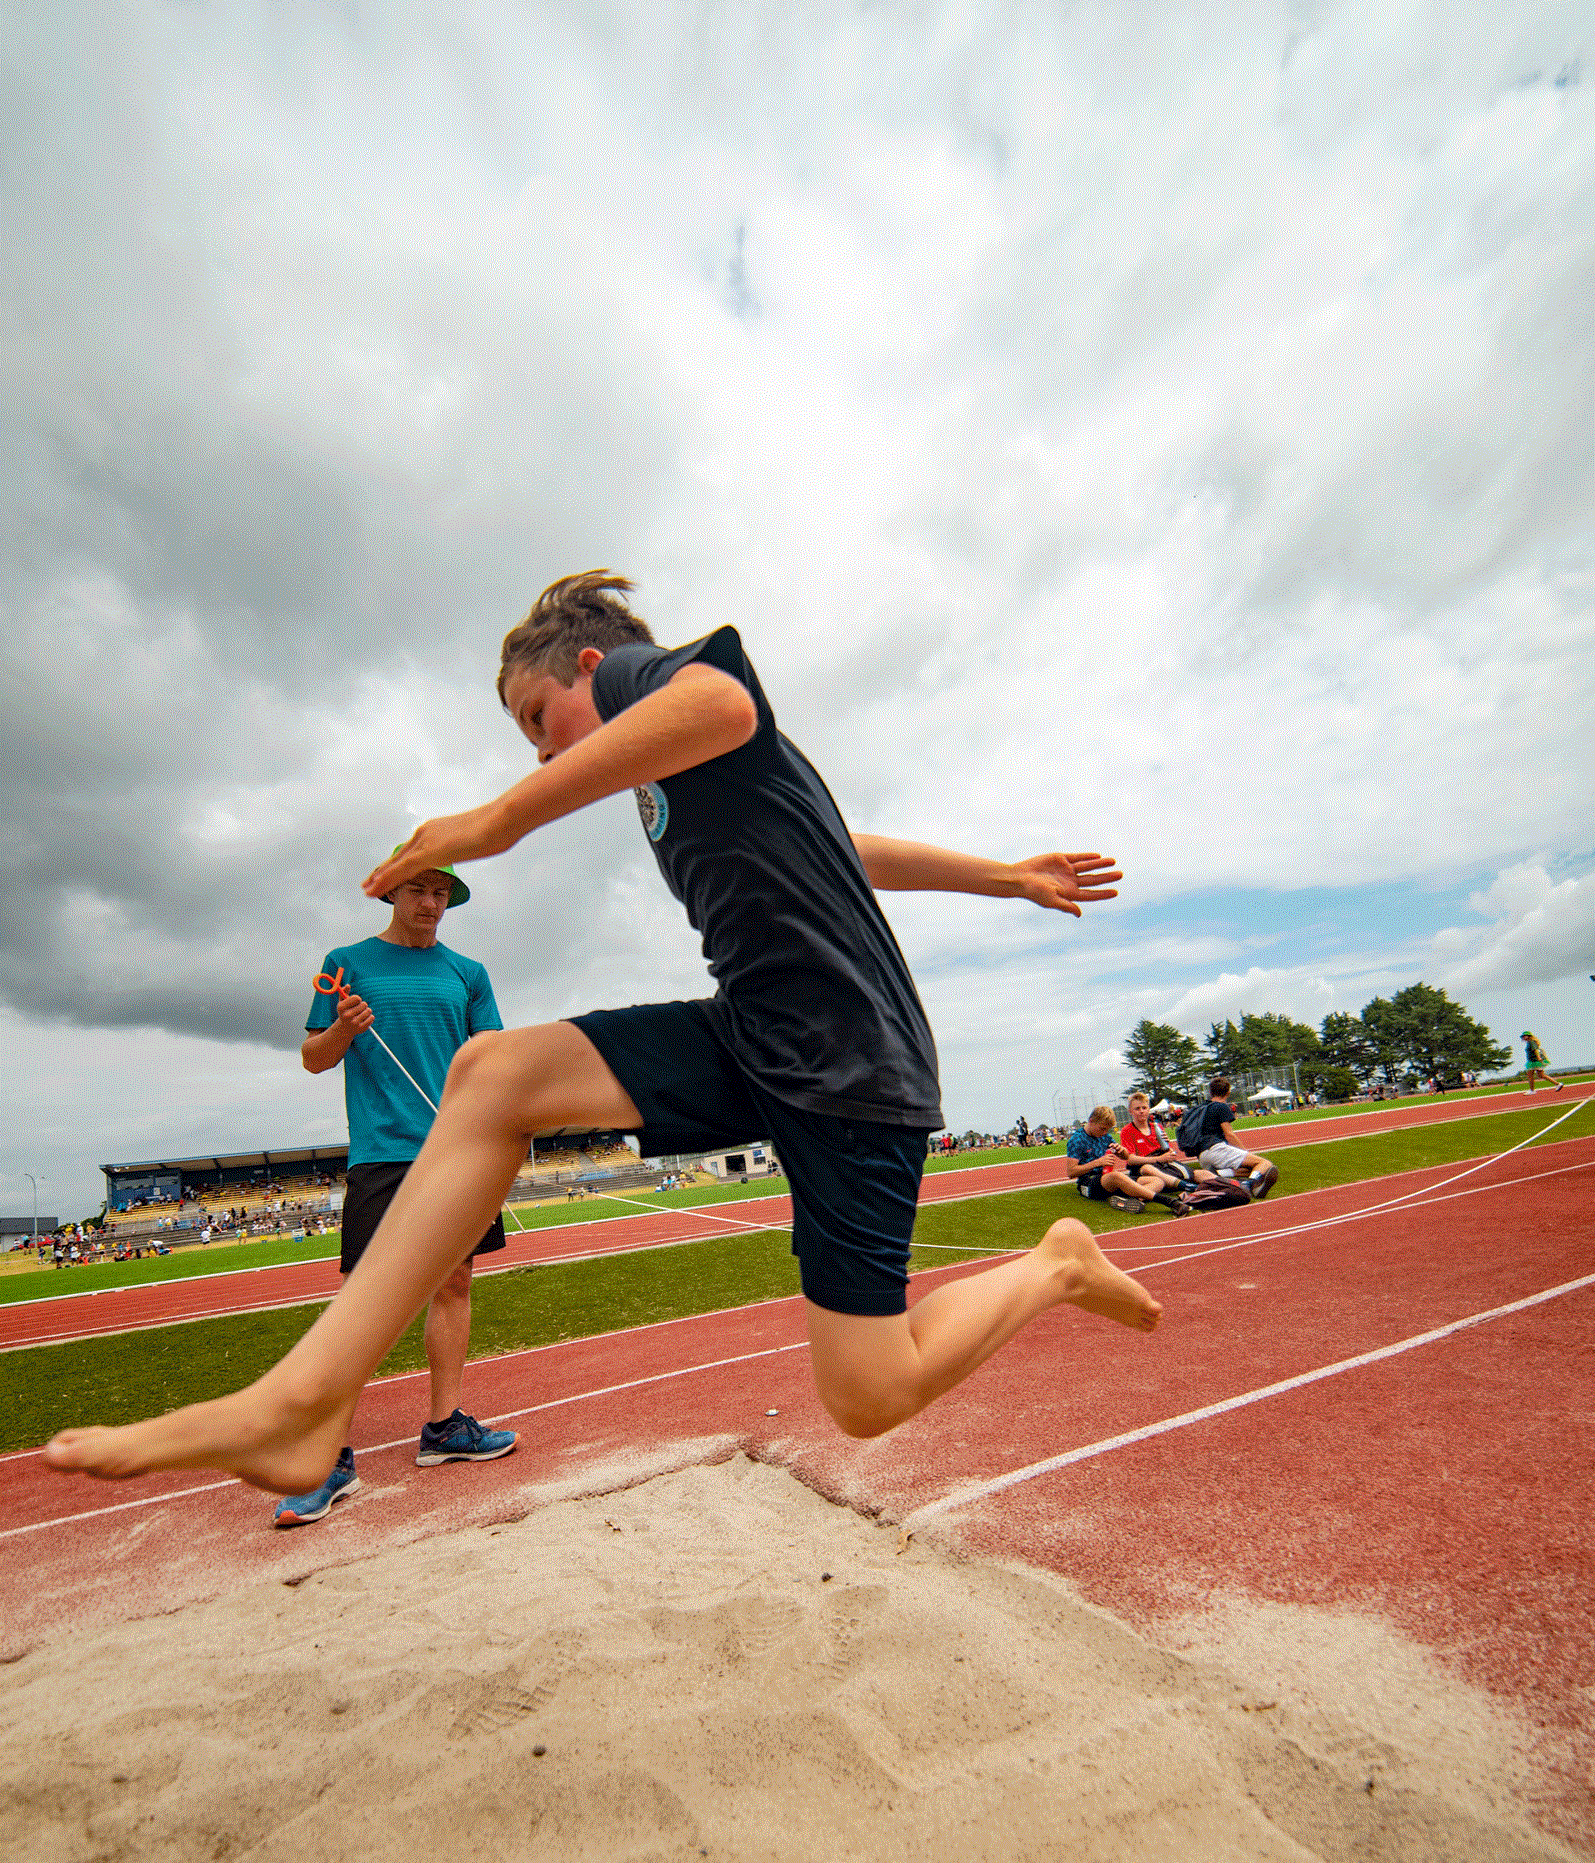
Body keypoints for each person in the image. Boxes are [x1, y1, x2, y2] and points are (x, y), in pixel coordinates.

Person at [43, 571, 1160, 1498]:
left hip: (850, 1058)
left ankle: (1055, 1262)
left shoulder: (648, 681)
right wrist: (999, 874)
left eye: (537, 720)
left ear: (590, 669)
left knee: (867, 1396)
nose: (539, 753)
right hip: (750, 1027)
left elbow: (719, 701)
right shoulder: (684, 774)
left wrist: (492, 822)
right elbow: (840, 840)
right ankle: (300, 1403)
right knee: (492, 1072)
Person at [270, 861, 518, 1528]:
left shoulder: (468, 974)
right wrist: (346, 1025)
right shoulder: (345, 963)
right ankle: (327, 1459)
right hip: (384, 1153)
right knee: (364, 1303)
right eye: (419, 890)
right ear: (391, 892)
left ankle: (444, 1429)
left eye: (441, 893)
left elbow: (489, 1054)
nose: (431, 902)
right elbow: (314, 1057)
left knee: (454, 1284)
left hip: (457, 1150)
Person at [1062, 1105, 1177, 1214]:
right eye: (1102, 1129)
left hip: (1109, 1180)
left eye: (1107, 1130)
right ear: (1091, 1121)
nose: (1104, 1133)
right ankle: (1167, 1201)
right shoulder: (1077, 1140)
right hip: (1089, 1182)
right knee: (1116, 1175)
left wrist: (1121, 1151)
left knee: (1157, 1181)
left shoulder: (1105, 1136)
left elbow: (1126, 1157)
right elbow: (1071, 1172)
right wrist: (1098, 1162)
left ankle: (1131, 1200)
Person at [1192, 1076, 1279, 1197]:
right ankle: (1249, 1185)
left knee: (1251, 1170)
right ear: (1228, 1092)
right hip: (1215, 1148)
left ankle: (1217, 1175)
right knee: (1265, 1164)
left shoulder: (1202, 1108)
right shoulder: (1221, 1106)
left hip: (1202, 1155)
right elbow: (1229, 1135)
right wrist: (1246, 1152)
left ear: (1211, 1092)